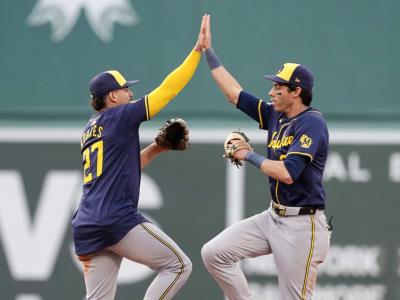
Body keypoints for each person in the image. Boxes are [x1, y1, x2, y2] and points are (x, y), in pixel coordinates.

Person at [71, 17, 205, 300]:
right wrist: (196, 53)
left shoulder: (89, 129)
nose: (130, 93)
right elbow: (168, 90)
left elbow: (120, 169)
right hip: (115, 217)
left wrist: (157, 149)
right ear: (112, 97)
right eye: (125, 89)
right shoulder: (121, 115)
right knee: (179, 265)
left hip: (86, 224)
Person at [199, 15, 332, 300]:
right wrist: (208, 53)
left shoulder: (312, 123)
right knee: (214, 254)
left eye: (278, 88)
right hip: (273, 216)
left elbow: (288, 173)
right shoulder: (276, 114)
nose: (271, 92)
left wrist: (246, 154)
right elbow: (234, 95)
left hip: (303, 226)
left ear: (296, 92)